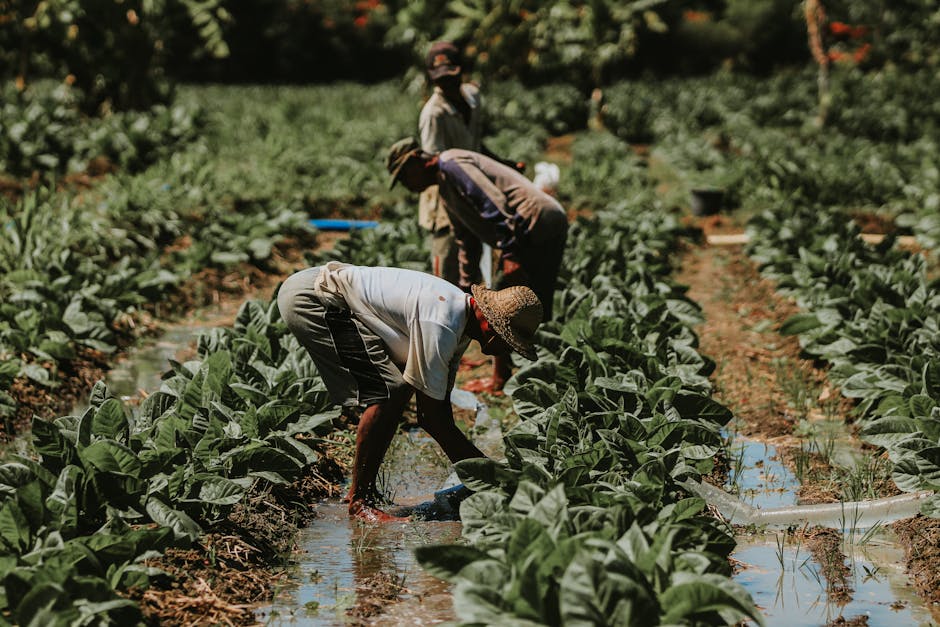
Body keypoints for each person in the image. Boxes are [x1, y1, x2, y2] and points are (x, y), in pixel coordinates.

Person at [277, 261, 543, 521]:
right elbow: (434, 420)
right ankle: (359, 502)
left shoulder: (459, 321)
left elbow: (434, 411)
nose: (507, 352)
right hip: (314, 298)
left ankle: (364, 492)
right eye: (509, 344)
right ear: (491, 329)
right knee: (389, 391)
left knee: (399, 388)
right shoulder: (442, 323)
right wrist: (495, 479)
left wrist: (488, 476)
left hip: (324, 291)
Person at [386, 139, 568, 392]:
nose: (406, 185)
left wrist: (510, 252)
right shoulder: (445, 187)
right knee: (522, 303)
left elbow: (492, 203)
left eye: (404, 176)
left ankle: (509, 378)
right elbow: (466, 240)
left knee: (510, 304)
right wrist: (465, 286)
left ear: (417, 160)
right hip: (528, 228)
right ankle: (530, 376)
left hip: (536, 223)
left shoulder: (452, 163)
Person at [418, 41, 522, 283]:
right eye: (440, 79)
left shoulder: (473, 98)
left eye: (451, 76)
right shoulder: (434, 114)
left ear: (462, 71)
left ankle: (478, 317)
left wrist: (501, 165)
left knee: (474, 271)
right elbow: (435, 166)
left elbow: (474, 148)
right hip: (446, 203)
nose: (446, 83)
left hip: (474, 193)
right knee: (448, 275)